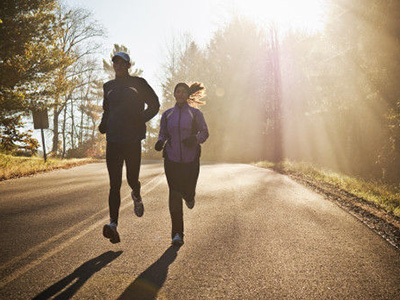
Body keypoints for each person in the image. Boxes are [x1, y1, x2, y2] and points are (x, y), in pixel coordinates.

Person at [99, 51, 160, 244]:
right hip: (114, 140)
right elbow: (107, 110)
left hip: (132, 139)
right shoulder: (108, 86)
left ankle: (136, 192)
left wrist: (139, 120)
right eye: (115, 63)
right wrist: (104, 124)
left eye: (122, 63)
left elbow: (155, 105)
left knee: (131, 178)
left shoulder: (138, 83)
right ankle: (113, 225)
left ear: (128, 65)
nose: (118, 66)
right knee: (114, 184)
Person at [154, 82, 209, 246]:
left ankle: (190, 196)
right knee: (174, 194)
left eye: (184, 92)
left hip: (191, 160)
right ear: (174, 94)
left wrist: (195, 139)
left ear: (187, 95)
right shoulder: (167, 115)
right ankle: (177, 234)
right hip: (171, 159)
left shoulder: (195, 113)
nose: (181, 94)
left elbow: (205, 133)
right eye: (178, 91)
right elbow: (163, 133)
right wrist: (160, 142)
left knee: (188, 191)